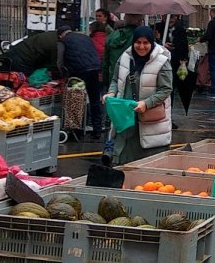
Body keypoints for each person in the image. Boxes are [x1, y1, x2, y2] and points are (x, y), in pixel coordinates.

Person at [106, 26, 173, 165]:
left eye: (146, 43)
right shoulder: (125, 57)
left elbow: (166, 89)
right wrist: (111, 93)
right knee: (124, 161)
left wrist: (146, 103)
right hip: (125, 117)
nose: (141, 47)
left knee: (149, 164)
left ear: (151, 43)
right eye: (138, 42)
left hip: (150, 119)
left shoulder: (162, 61)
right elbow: (115, 79)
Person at [58, 25, 103, 138]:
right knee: (94, 100)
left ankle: (76, 130)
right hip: (94, 68)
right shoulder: (85, 37)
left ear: (60, 35)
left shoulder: (63, 41)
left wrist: (62, 74)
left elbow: (60, 61)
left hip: (78, 71)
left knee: (76, 99)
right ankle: (97, 129)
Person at [103, 15, 141, 89]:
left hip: (114, 77)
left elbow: (106, 62)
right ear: (139, 21)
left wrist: (105, 82)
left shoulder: (111, 36)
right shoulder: (140, 36)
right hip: (134, 77)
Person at [204, 9, 215, 95]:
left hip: (213, 49)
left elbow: (208, 36)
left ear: (212, 12)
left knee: (214, 69)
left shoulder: (212, 22)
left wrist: (200, 39)